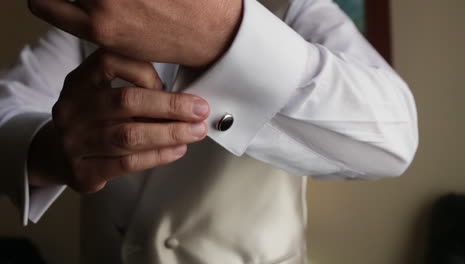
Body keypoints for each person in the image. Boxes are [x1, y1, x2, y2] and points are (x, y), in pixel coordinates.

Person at [0, 0, 418, 262]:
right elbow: (7, 110)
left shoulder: (297, 8)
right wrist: (49, 150)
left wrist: (226, 37)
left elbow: (394, 141)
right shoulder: (94, 17)